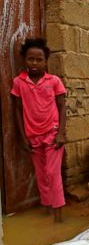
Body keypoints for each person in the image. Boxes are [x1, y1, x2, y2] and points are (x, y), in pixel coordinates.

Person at [11, 38, 66, 222]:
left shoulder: (54, 81)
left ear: (45, 61)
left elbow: (62, 107)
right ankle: (48, 209)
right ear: (24, 60)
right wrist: (23, 137)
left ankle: (58, 217)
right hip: (32, 135)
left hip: (52, 134)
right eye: (30, 59)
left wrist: (61, 133)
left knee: (52, 173)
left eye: (39, 59)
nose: (34, 63)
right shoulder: (19, 82)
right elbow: (17, 110)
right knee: (41, 174)